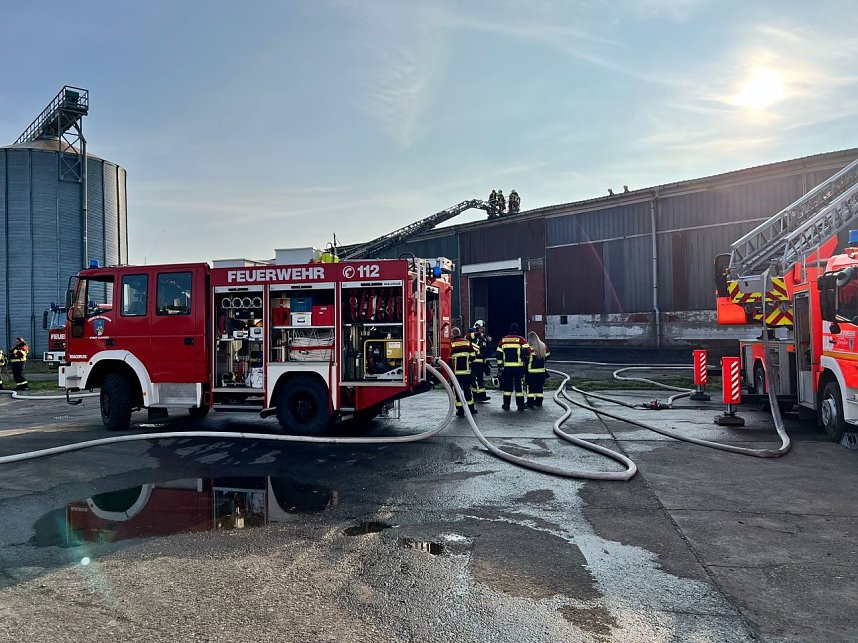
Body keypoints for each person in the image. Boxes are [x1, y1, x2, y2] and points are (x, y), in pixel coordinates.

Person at [496, 323, 529, 411]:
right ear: (517, 330)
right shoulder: (521, 339)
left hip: (507, 367)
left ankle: (506, 404)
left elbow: (498, 354)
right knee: (519, 387)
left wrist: (500, 365)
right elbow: (527, 351)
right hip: (519, 367)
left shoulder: (503, 340)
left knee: (507, 386)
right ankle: (520, 405)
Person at [448, 327, 478, 417]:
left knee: (457, 392)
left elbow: (449, 359)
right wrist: (468, 363)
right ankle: (471, 409)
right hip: (466, 372)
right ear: (460, 333)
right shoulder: (468, 343)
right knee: (467, 390)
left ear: (452, 334)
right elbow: (473, 356)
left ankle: (460, 411)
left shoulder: (451, 345)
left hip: (456, 374)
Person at [466, 320, 492, 402]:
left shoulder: (483, 337)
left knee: (480, 379)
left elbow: (485, 350)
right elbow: (467, 337)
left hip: (482, 362)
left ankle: (481, 395)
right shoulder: (472, 335)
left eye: (483, 328)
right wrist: (478, 334)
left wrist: (486, 362)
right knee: (476, 379)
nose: (482, 330)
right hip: (475, 362)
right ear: (476, 327)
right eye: (480, 328)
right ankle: (476, 396)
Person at [525, 331, 550, 407]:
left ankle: (530, 403)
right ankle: (539, 402)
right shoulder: (543, 347)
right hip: (541, 372)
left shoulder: (529, 348)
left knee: (531, 388)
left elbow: (525, 359)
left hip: (531, 372)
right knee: (539, 388)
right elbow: (548, 356)